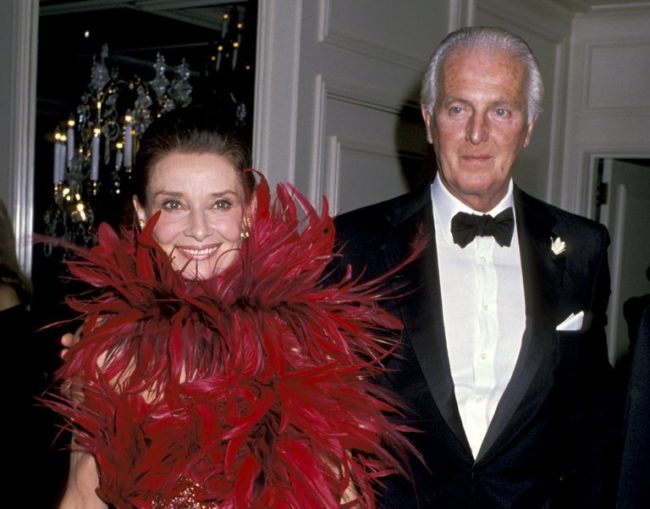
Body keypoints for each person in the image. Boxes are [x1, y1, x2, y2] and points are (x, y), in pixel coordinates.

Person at [49, 108, 418, 509]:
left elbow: (342, 494)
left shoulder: (300, 334)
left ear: (248, 212)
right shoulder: (111, 339)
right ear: (141, 215)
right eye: (173, 204)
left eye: (220, 204)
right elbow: (84, 495)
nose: (199, 228)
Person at [333, 26, 616, 508]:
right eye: (458, 108)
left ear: (527, 127)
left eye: (500, 111)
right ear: (428, 120)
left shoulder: (584, 248)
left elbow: (592, 418)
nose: (477, 134)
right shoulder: (349, 244)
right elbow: (315, 402)